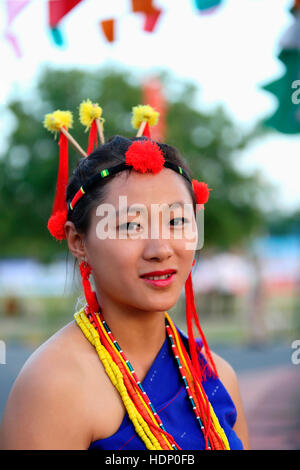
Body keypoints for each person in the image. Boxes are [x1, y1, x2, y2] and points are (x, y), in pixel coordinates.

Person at [0, 103, 249, 450]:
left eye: (177, 221)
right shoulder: (54, 385)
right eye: (130, 225)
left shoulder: (217, 376)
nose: (160, 248)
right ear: (78, 241)